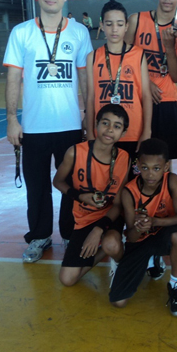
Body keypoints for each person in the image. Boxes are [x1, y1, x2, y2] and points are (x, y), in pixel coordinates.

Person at [4, 0, 91, 262]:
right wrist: (12, 119)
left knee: (72, 185)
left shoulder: (79, 33)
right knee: (37, 185)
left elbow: (86, 80)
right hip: (34, 127)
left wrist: (89, 117)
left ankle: (69, 234)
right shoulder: (21, 32)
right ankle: (40, 236)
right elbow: (13, 78)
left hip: (69, 126)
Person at [109, 138, 177, 316]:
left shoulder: (172, 181)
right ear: (137, 165)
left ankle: (176, 284)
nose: (150, 174)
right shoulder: (129, 192)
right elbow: (131, 237)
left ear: (166, 167)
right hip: (139, 242)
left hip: (163, 234)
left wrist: (154, 221)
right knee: (118, 302)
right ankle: (150, 259)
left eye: (156, 168)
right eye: (145, 168)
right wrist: (139, 227)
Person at [53, 104, 130, 286]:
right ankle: (106, 249)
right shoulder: (75, 152)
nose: (110, 130)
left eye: (117, 126)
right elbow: (57, 181)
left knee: (112, 243)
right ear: (96, 124)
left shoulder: (123, 158)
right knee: (67, 279)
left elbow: (118, 205)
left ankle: (119, 258)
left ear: (123, 133)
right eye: (105, 123)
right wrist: (79, 196)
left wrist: (98, 230)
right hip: (84, 218)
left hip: (109, 217)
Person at [125, 0, 177, 161]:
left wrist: (170, 48)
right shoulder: (136, 20)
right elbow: (124, 59)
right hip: (136, 98)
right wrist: (146, 83)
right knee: (136, 159)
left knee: (162, 161)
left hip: (166, 101)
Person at [86, 0, 152, 159]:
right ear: (101, 25)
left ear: (127, 27)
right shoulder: (93, 57)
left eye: (120, 24)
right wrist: (90, 133)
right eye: (109, 24)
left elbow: (146, 95)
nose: (114, 29)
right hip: (102, 133)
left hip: (133, 132)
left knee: (131, 182)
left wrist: (147, 131)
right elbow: (90, 98)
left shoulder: (139, 55)